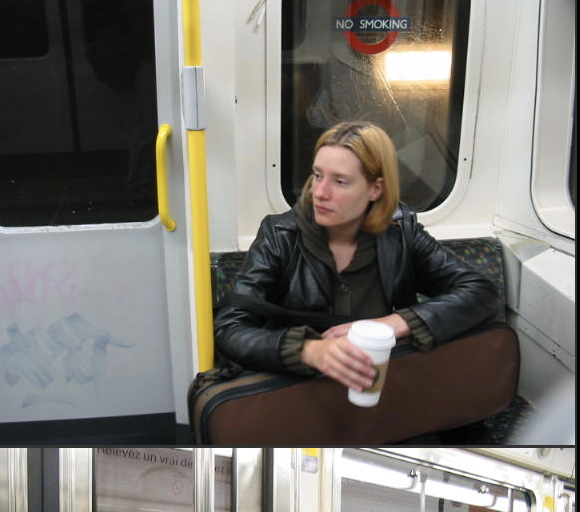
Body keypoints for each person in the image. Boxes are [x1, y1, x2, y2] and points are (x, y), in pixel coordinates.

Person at [214, 121, 499, 392]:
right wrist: (307, 350)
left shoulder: (401, 235)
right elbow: (229, 329)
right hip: (301, 393)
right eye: (317, 175)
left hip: (385, 389)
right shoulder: (279, 236)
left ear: (375, 189)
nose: (319, 193)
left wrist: (394, 324)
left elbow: (481, 292)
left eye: (340, 181)